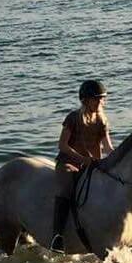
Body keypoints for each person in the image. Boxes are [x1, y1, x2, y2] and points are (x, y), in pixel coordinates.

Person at [51, 80, 114, 252]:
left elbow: (107, 147)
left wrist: (116, 158)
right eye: (97, 99)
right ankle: (57, 236)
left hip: (91, 165)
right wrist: (82, 158)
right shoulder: (73, 118)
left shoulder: (102, 121)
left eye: (103, 99)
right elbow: (62, 145)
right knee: (66, 190)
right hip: (68, 163)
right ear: (85, 100)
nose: (101, 102)